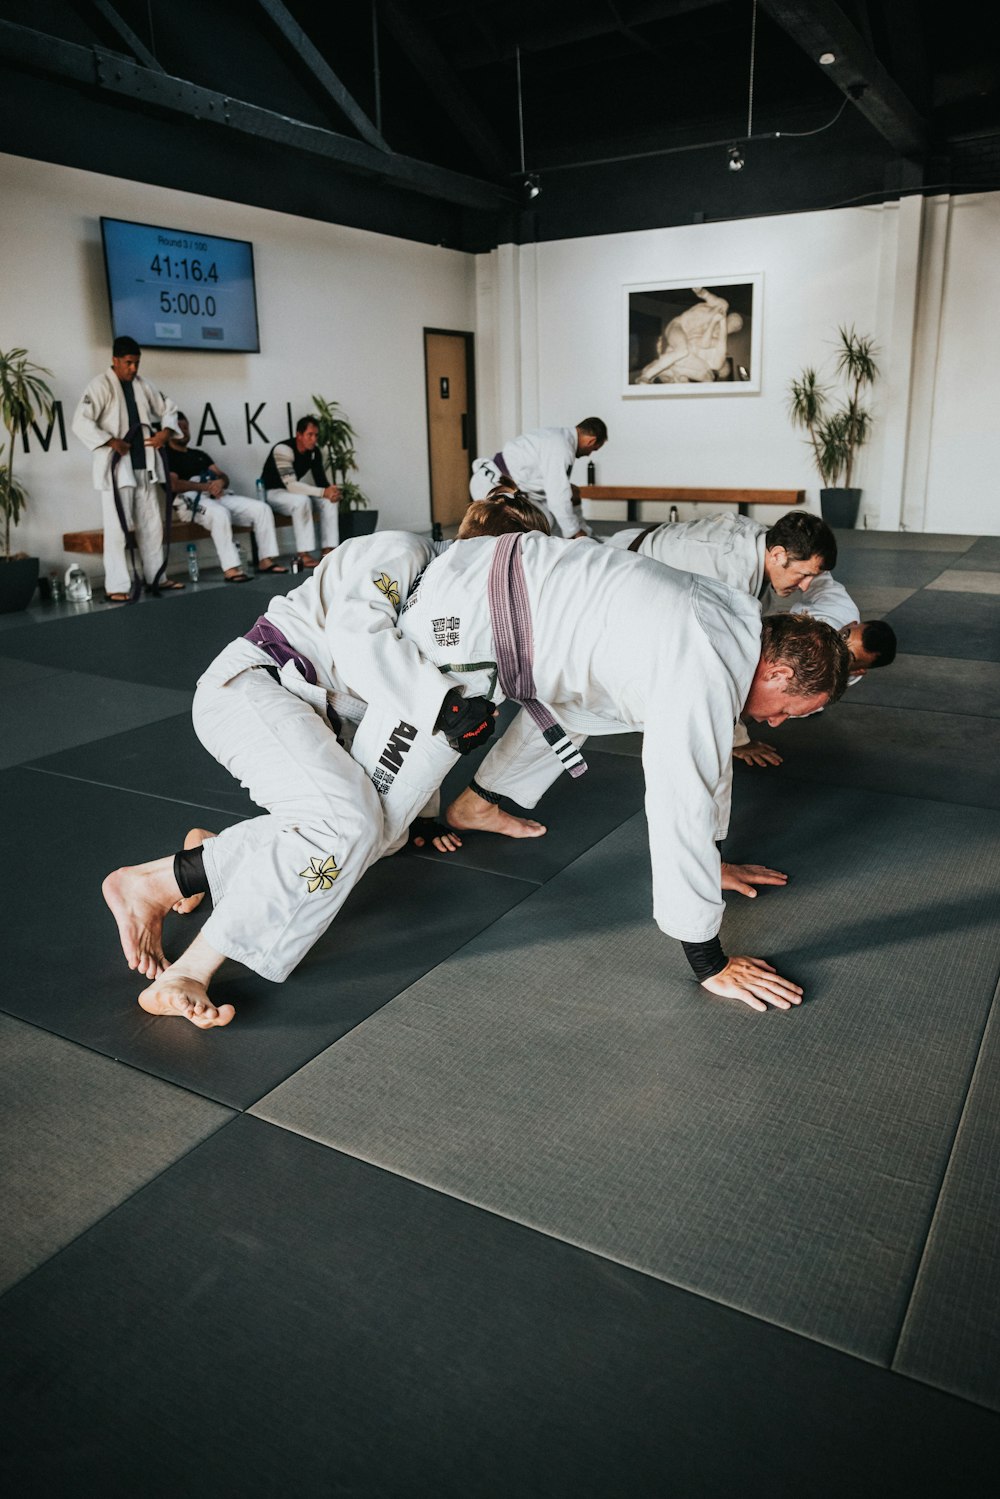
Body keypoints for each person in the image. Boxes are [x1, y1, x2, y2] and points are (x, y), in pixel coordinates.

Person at [100, 490, 551, 1028]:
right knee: (347, 825)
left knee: (381, 835)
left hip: (313, 718)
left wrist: (426, 810)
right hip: (255, 687)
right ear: (478, 551)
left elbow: (408, 723)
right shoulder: (404, 552)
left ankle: (205, 863)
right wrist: (444, 703)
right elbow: (354, 636)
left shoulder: (454, 618)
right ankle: (180, 944)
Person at [442, 510, 839, 840]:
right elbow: (721, 684)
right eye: (805, 575)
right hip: (594, 598)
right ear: (778, 554)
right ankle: (471, 802)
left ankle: (478, 802)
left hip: (619, 588)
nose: (804, 586)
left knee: (572, 710)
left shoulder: (758, 539)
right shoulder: (729, 572)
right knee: (558, 703)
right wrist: (735, 737)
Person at [71, 335, 185, 601]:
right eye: (128, 363)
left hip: (144, 466)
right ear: (115, 360)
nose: (133, 368)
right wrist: (111, 441)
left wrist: (165, 433)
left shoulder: (143, 385)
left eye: (136, 363)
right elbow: (81, 422)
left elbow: (169, 408)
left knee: (151, 526)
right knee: (117, 530)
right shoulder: (100, 386)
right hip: (117, 469)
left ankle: (158, 576)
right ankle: (117, 586)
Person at [167, 413, 288, 581]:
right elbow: (173, 485)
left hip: (215, 495)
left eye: (186, 427)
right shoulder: (167, 456)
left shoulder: (199, 455)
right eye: (179, 427)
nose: (183, 431)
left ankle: (266, 560)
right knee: (219, 514)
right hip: (190, 500)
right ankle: (231, 568)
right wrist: (205, 486)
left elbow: (223, 476)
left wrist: (220, 483)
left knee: (262, 509)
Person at [469, 418, 607, 539]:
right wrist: (575, 532)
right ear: (591, 441)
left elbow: (554, 489)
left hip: (510, 486)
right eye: (594, 449)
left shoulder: (558, 437)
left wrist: (580, 530)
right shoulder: (562, 448)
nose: (589, 455)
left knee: (568, 496)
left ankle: (578, 535)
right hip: (491, 486)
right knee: (536, 525)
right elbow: (557, 496)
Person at [261, 415, 340, 569]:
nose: (313, 439)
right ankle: (303, 554)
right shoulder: (283, 449)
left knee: (328, 502)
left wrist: (332, 493)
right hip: (273, 493)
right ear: (299, 435)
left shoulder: (314, 452)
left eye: (316, 435)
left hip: (293, 493)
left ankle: (328, 550)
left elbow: (321, 482)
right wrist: (324, 491)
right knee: (302, 501)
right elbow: (291, 485)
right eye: (309, 435)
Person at [634, 287, 743, 384]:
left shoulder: (716, 336)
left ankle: (666, 374)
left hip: (684, 341)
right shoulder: (721, 307)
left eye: (733, 328)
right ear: (729, 317)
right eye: (732, 323)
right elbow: (706, 296)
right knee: (682, 351)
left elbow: (705, 345)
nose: (731, 327)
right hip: (678, 326)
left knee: (683, 357)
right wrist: (702, 292)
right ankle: (645, 376)